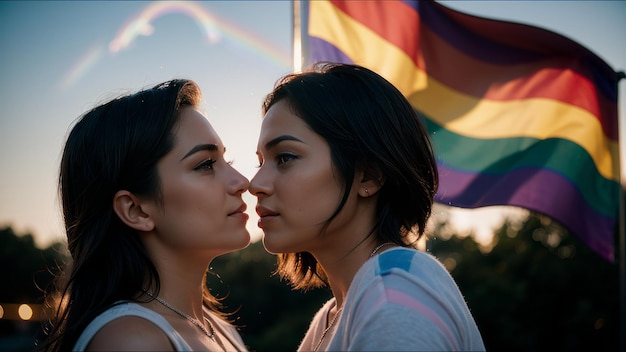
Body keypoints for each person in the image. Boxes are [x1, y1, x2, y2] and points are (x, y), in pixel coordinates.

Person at [250, 63, 485, 351]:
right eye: (260, 162)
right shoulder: (332, 315)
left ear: (368, 176)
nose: (255, 184)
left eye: (285, 158)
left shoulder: (394, 297)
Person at [40, 79, 250, 351]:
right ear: (135, 210)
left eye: (226, 160)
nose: (242, 182)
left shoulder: (219, 328)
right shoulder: (130, 341)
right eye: (206, 165)